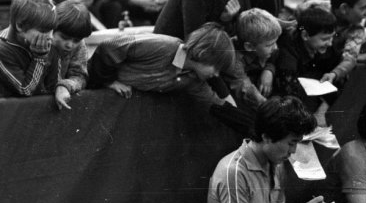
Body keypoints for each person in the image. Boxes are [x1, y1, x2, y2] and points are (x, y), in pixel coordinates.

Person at [87, 23, 253, 134]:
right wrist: (108, 81)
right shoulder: (163, 46)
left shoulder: (192, 80)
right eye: (216, 68)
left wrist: (253, 129)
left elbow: (215, 103)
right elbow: (109, 48)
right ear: (202, 54)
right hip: (91, 82)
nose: (216, 75)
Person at [207, 95, 323, 203]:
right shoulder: (234, 172)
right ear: (267, 137)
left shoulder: (277, 164)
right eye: (291, 143)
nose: (293, 151)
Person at [274, 2, 355, 121]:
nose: (330, 43)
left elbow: (343, 70)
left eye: (332, 37)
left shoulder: (327, 47)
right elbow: (289, 95)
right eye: (325, 39)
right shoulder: (288, 52)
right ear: (305, 35)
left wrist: (322, 111)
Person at [0, 0, 58, 97]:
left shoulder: (46, 43)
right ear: (20, 26)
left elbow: (53, 86)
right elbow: (25, 90)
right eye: (44, 31)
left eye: (51, 30)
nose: (50, 37)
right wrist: (40, 58)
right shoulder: (2, 49)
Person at [223, 8, 282, 109]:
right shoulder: (233, 59)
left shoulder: (262, 42)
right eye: (270, 45)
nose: (275, 47)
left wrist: (269, 70)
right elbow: (246, 90)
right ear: (249, 47)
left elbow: (276, 56)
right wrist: (274, 109)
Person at [52, 0, 92, 110]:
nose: (70, 45)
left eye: (76, 40)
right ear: (52, 29)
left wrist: (65, 86)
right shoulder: (40, 40)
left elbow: (80, 76)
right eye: (64, 38)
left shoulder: (80, 45)